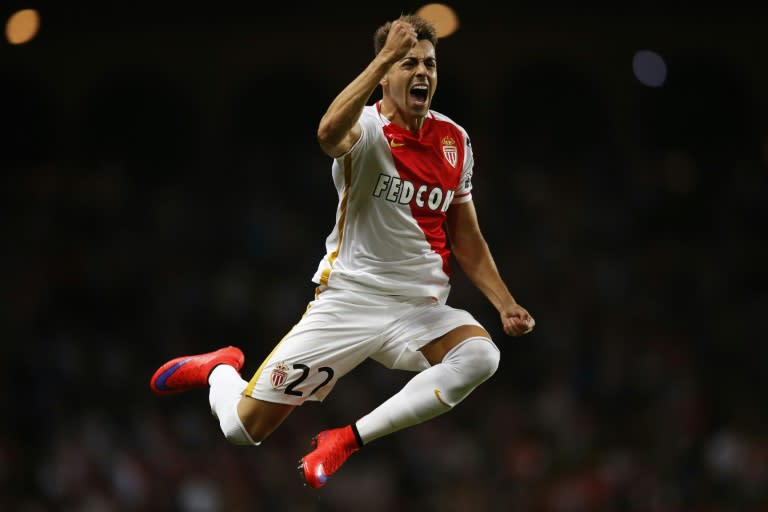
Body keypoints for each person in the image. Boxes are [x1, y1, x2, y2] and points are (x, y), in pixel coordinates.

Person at [149, 13, 535, 489]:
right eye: (408, 62)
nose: (421, 73)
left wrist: (504, 302)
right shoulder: (366, 129)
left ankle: (346, 440)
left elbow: (467, 234)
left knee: (482, 357)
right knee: (242, 430)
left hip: (418, 311)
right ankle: (220, 371)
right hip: (348, 304)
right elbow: (327, 134)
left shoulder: (455, 141)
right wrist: (383, 58)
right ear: (386, 70)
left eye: (430, 64)